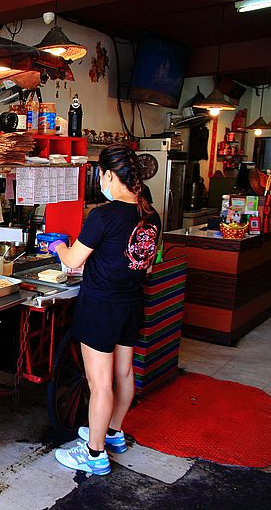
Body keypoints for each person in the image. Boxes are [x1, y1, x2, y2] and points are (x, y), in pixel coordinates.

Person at [48, 144, 161, 476]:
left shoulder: (103, 215)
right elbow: (144, 265)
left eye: (100, 174)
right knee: (124, 374)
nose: (100, 179)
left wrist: (56, 245)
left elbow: (72, 260)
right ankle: (112, 433)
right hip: (131, 305)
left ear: (110, 175)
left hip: (100, 307)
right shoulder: (150, 214)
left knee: (100, 384)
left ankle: (94, 454)